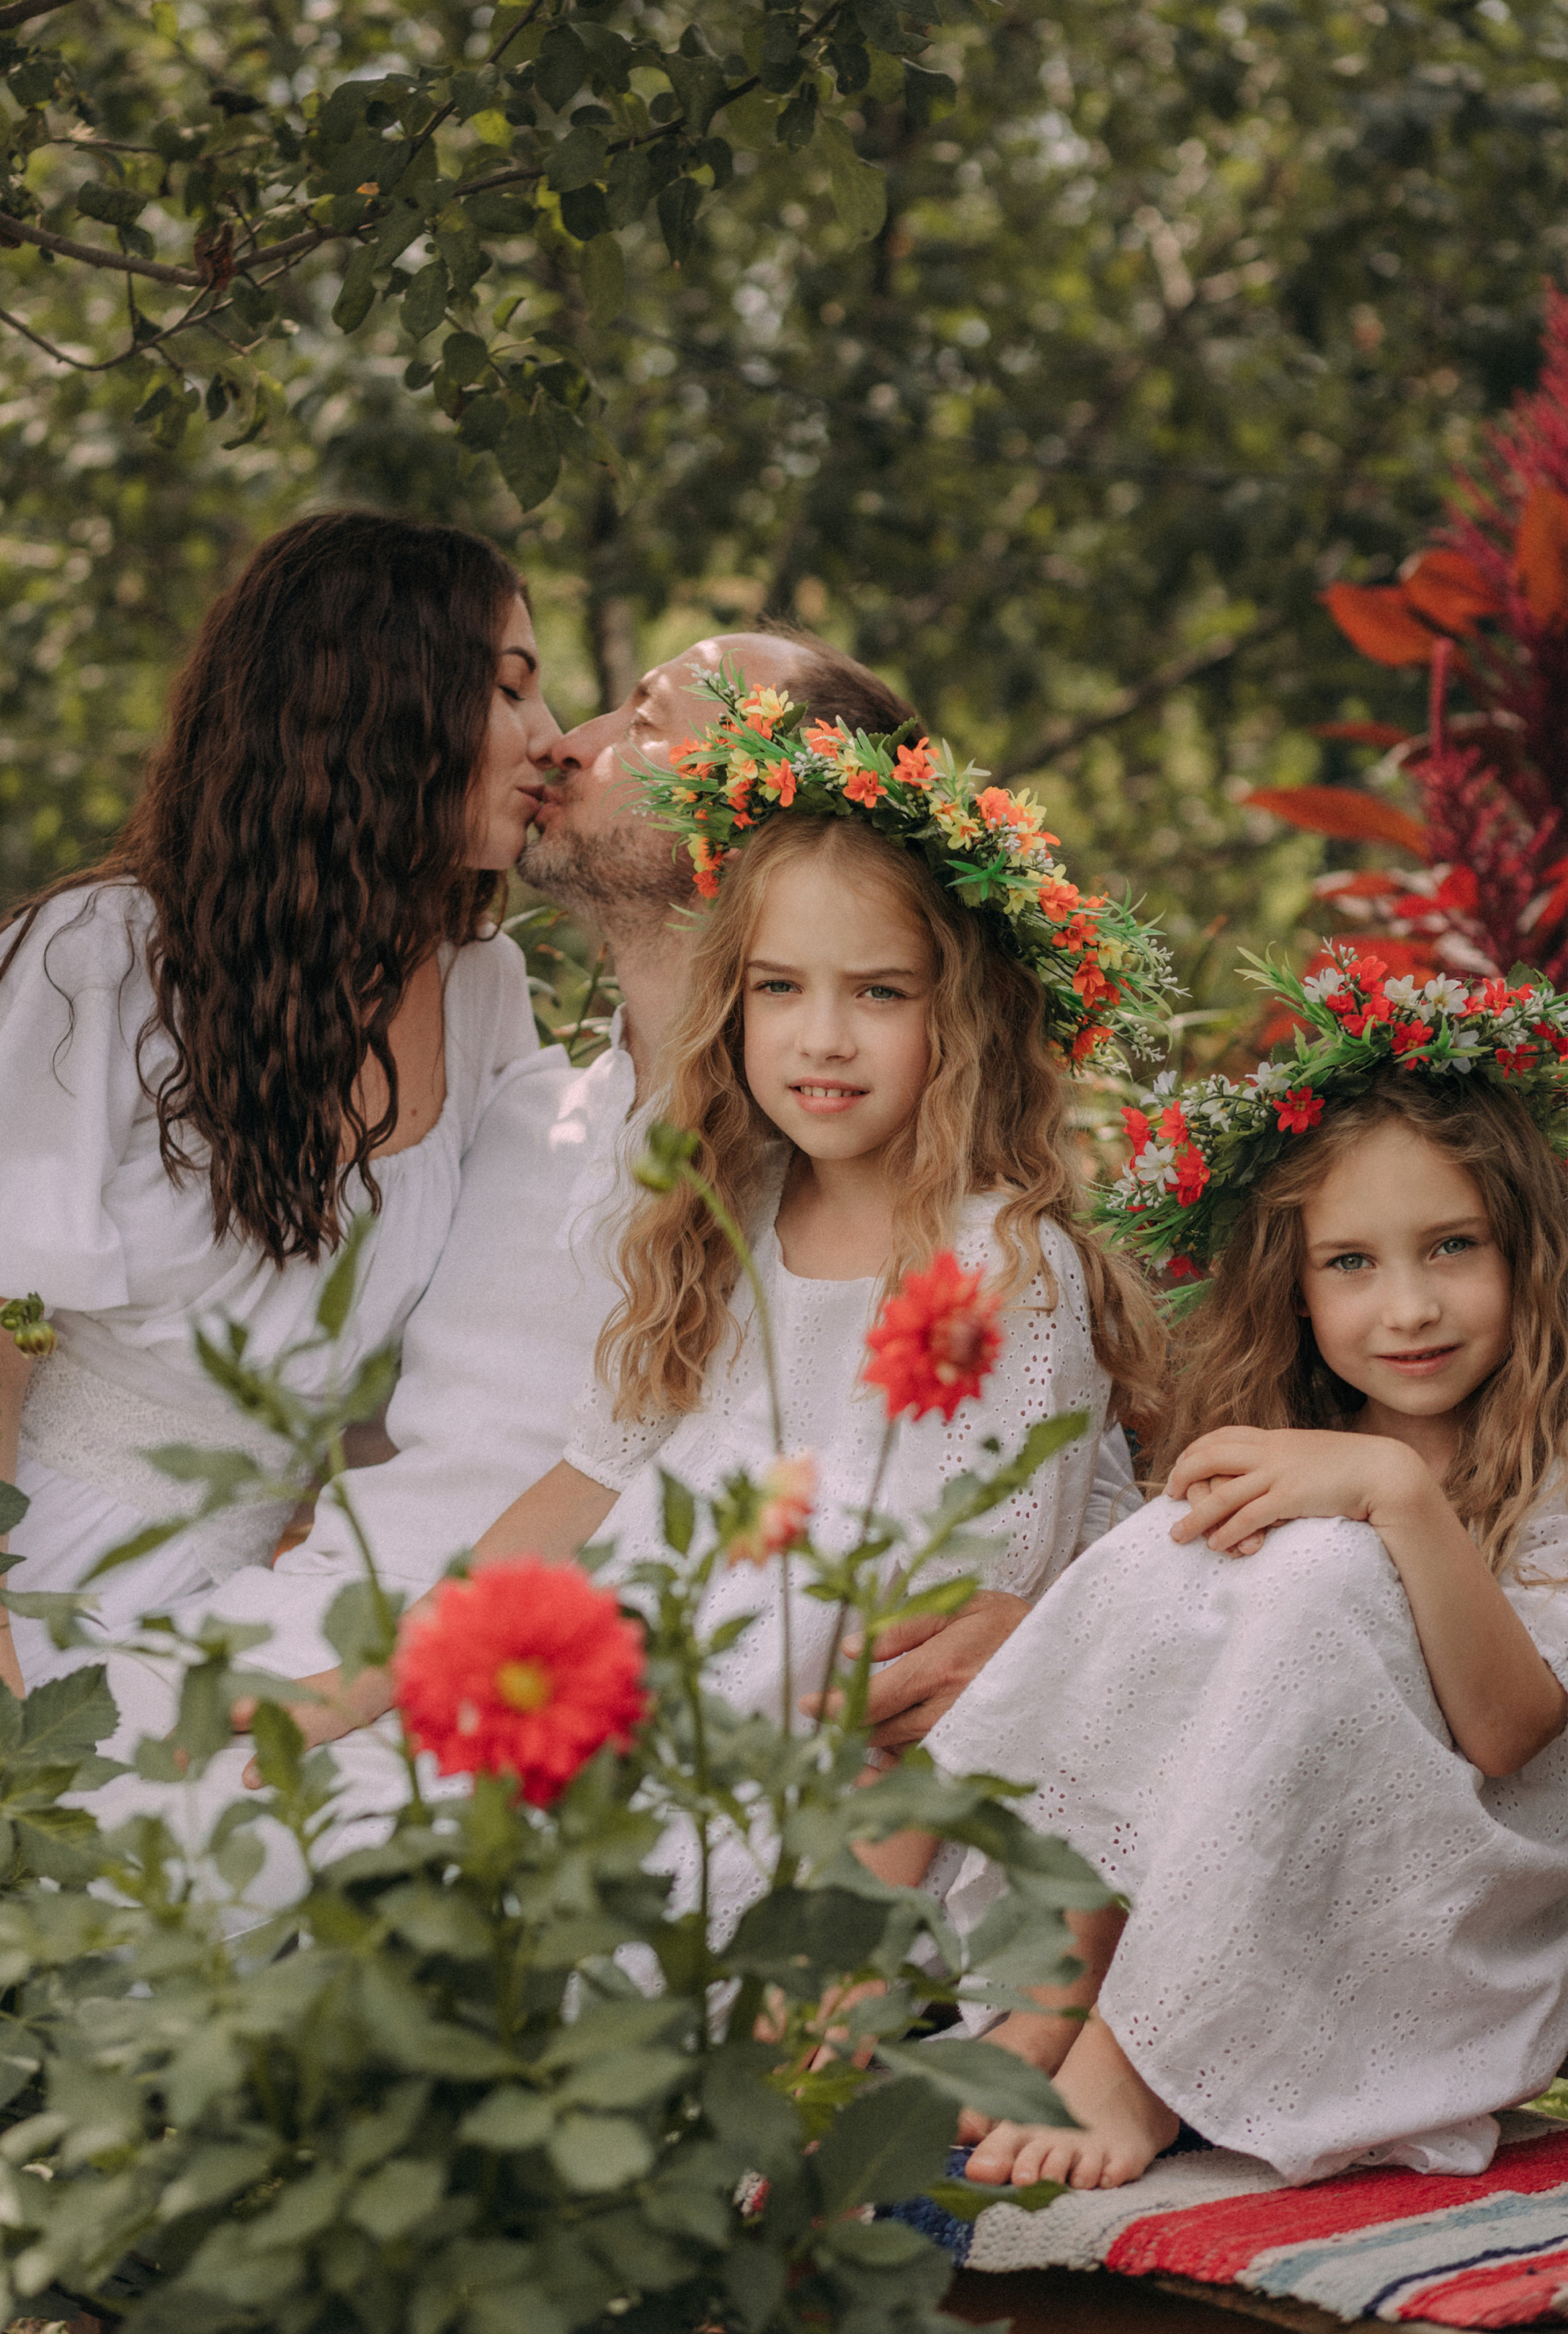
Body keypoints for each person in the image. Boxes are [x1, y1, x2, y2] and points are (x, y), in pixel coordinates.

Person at [453, 677, 1170, 1936]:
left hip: (855, 1833)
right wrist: (392, 1676)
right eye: (780, 989)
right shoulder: (723, 1213)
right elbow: (585, 1481)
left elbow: (928, 1687)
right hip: (669, 1720)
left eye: (880, 994)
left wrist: (826, 1993)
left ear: (962, 1015)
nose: (820, 1040)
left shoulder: (999, 1270)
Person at [884, 950, 1568, 2191]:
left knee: (1318, 1573)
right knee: (1168, 1542)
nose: (1405, 1307)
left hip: (1453, 1892)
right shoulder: (1310, 1450)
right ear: (1295, 1289)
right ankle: (1059, 1983)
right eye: (1350, 1263)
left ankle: (1141, 2063)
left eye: (1451, 1247)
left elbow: (1512, 1733)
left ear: (1524, 1250)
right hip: (1254, 1870)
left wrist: (1395, 1495)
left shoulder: (1541, 1466)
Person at [0, 509, 557, 1696]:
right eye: (508, 692)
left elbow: (445, 1368)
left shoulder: (483, 992)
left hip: (275, 1613)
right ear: (380, 704)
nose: (547, 740)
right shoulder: (100, 955)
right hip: (38, 1568)